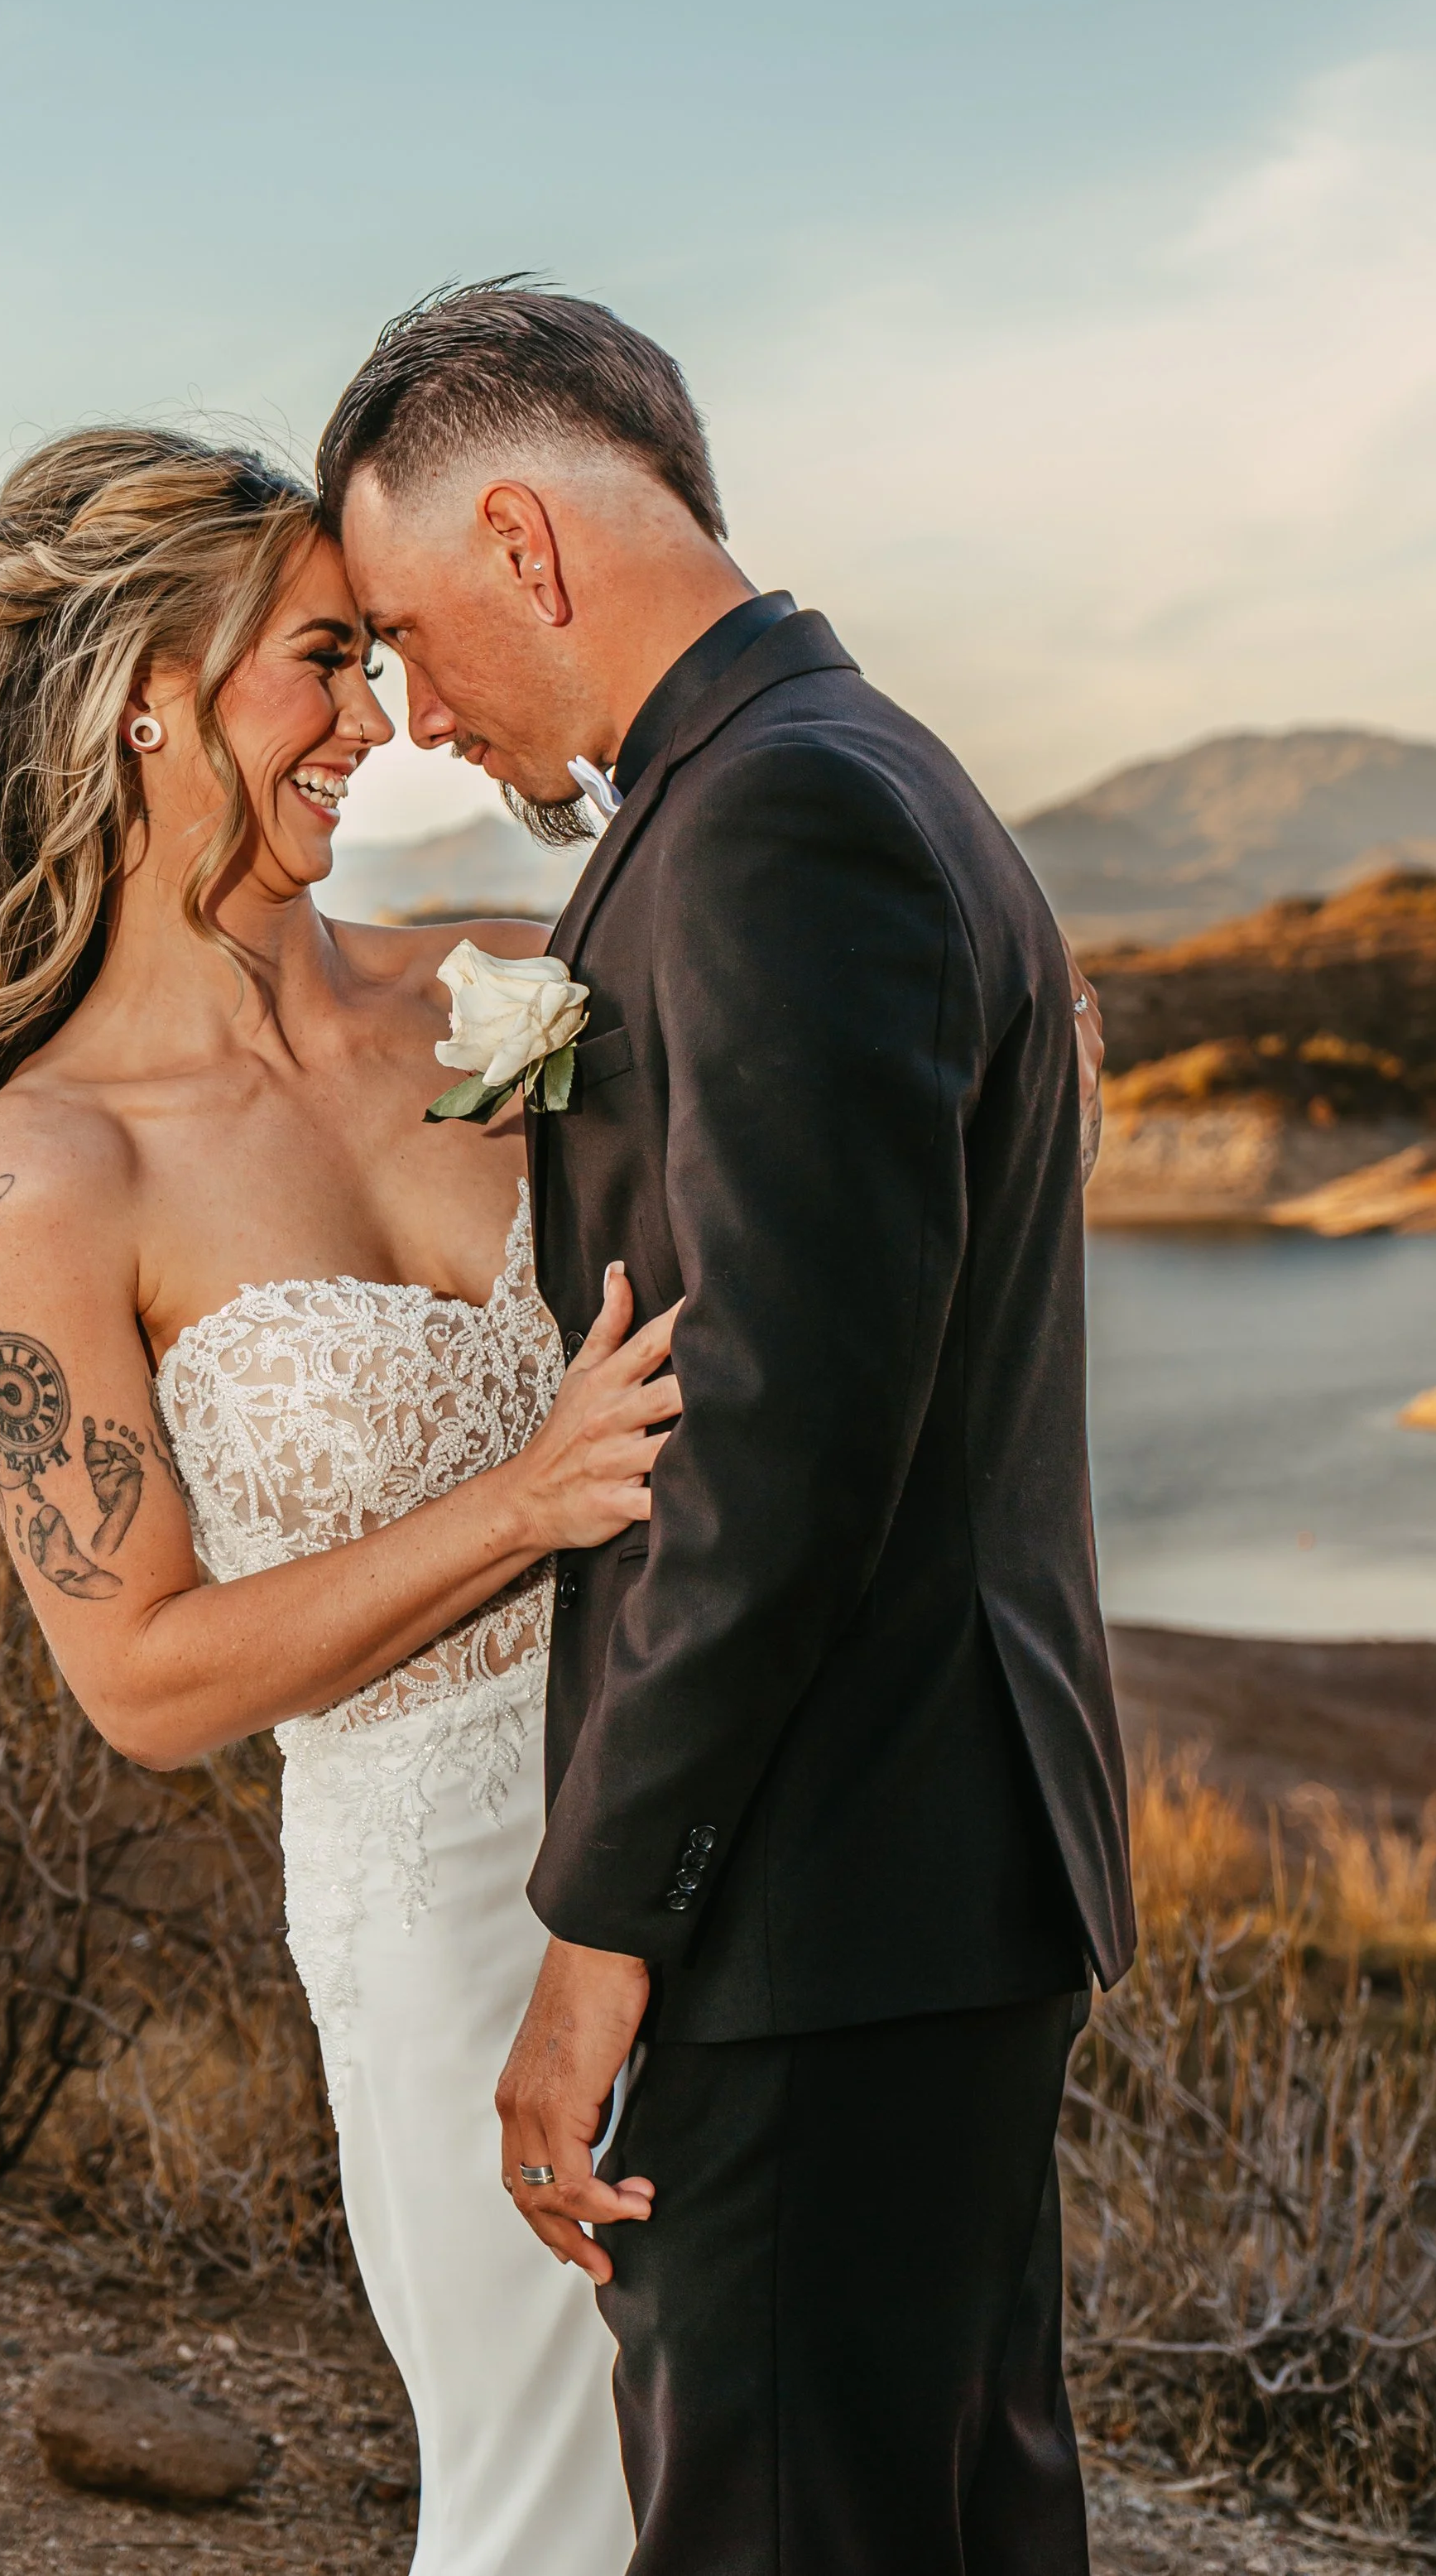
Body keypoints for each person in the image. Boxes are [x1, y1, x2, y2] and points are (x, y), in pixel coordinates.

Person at [322, 280, 1136, 2575]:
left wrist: (603, 1937)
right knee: (946, 2518)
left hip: (822, 1894)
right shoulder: (830, 771)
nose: (410, 715)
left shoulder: (780, 818)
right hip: (912, 1882)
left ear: (525, 540)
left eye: (408, 634)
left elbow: (777, 1447)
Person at [0, 425, 645, 2576]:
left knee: (755, 2464)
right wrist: (528, 1502)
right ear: (149, 695)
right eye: (323, 659)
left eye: (373, 662)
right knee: (555, 2491)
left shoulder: (488, 995)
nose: (374, 722)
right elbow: (142, 1682)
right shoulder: (48, 1173)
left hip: (684, 1811)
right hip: (439, 1897)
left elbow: (763, 1176)